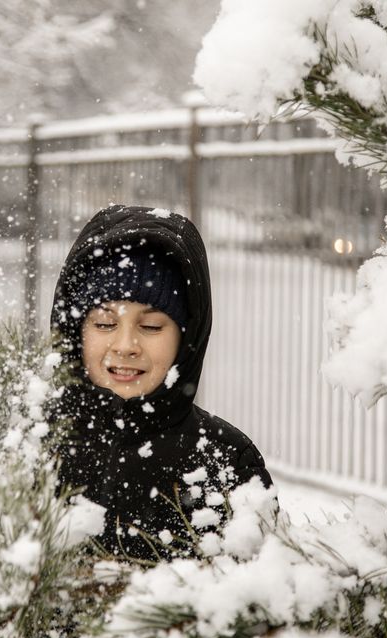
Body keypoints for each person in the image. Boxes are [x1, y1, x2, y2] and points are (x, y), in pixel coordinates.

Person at [49, 204, 272, 560]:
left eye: (151, 326)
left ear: (186, 338)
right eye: (105, 324)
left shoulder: (225, 461)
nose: (124, 346)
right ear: (77, 332)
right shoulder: (32, 446)